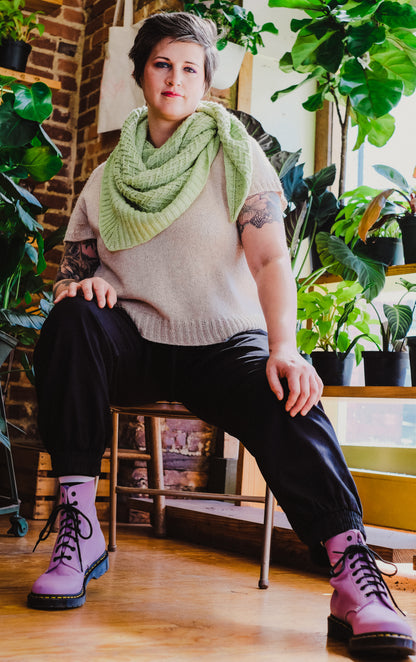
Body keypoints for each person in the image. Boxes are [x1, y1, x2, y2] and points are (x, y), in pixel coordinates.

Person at [28, 11, 414, 658]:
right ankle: (78, 525)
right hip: (135, 341)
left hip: (222, 342)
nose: (174, 77)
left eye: (189, 67)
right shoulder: (105, 178)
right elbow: (76, 273)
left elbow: (268, 261)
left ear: (206, 82)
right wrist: (84, 287)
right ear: (140, 75)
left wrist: (284, 347)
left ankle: (354, 577)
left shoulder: (236, 157)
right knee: (69, 321)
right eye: (161, 64)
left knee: (285, 390)